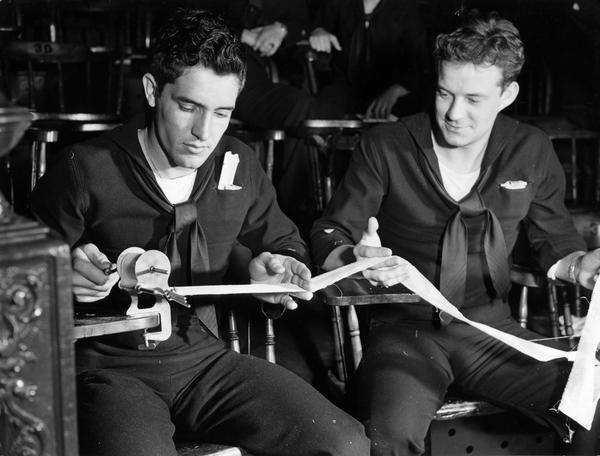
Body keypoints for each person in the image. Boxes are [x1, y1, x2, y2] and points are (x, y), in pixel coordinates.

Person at [30, 9, 370, 456]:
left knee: (343, 443)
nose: (203, 132)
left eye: (222, 112)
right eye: (188, 107)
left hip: (203, 360)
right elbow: (20, 278)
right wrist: (61, 278)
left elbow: (284, 241)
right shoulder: (86, 168)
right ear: (154, 91)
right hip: (109, 370)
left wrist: (279, 265)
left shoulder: (239, 163)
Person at [310, 12, 600, 456]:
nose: (453, 113)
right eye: (445, 93)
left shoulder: (530, 149)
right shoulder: (388, 145)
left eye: (473, 99)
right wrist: (354, 256)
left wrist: (581, 267)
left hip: (492, 328)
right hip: (406, 330)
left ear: (508, 95)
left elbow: (551, 239)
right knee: (388, 437)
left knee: (590, 402)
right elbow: (331, 229)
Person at [308, 0, 431, 119]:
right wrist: (318, 31)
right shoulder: (339, 3)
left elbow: (420, 63)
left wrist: (396, 90)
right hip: (343, 86)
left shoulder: (405, 7)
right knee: (320, 110)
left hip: (389, 88)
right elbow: (316, 25)